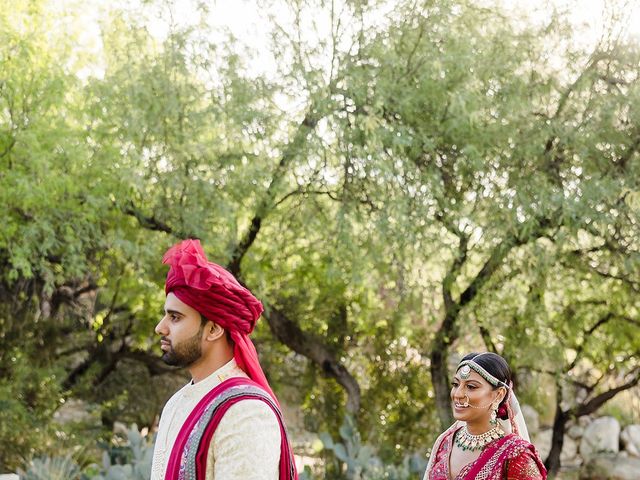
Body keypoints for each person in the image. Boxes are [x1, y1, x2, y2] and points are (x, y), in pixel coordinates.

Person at [150, 239, 297, 480]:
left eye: (175, 317)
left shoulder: (246, 413)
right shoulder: (176, 403)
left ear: (214, 329)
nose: (160, 328)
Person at [422, 352, 547, 480]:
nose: (458, 394)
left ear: (499, 395)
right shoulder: (445, 442)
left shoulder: (516, 455)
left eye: (471, 387)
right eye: (455, 384)